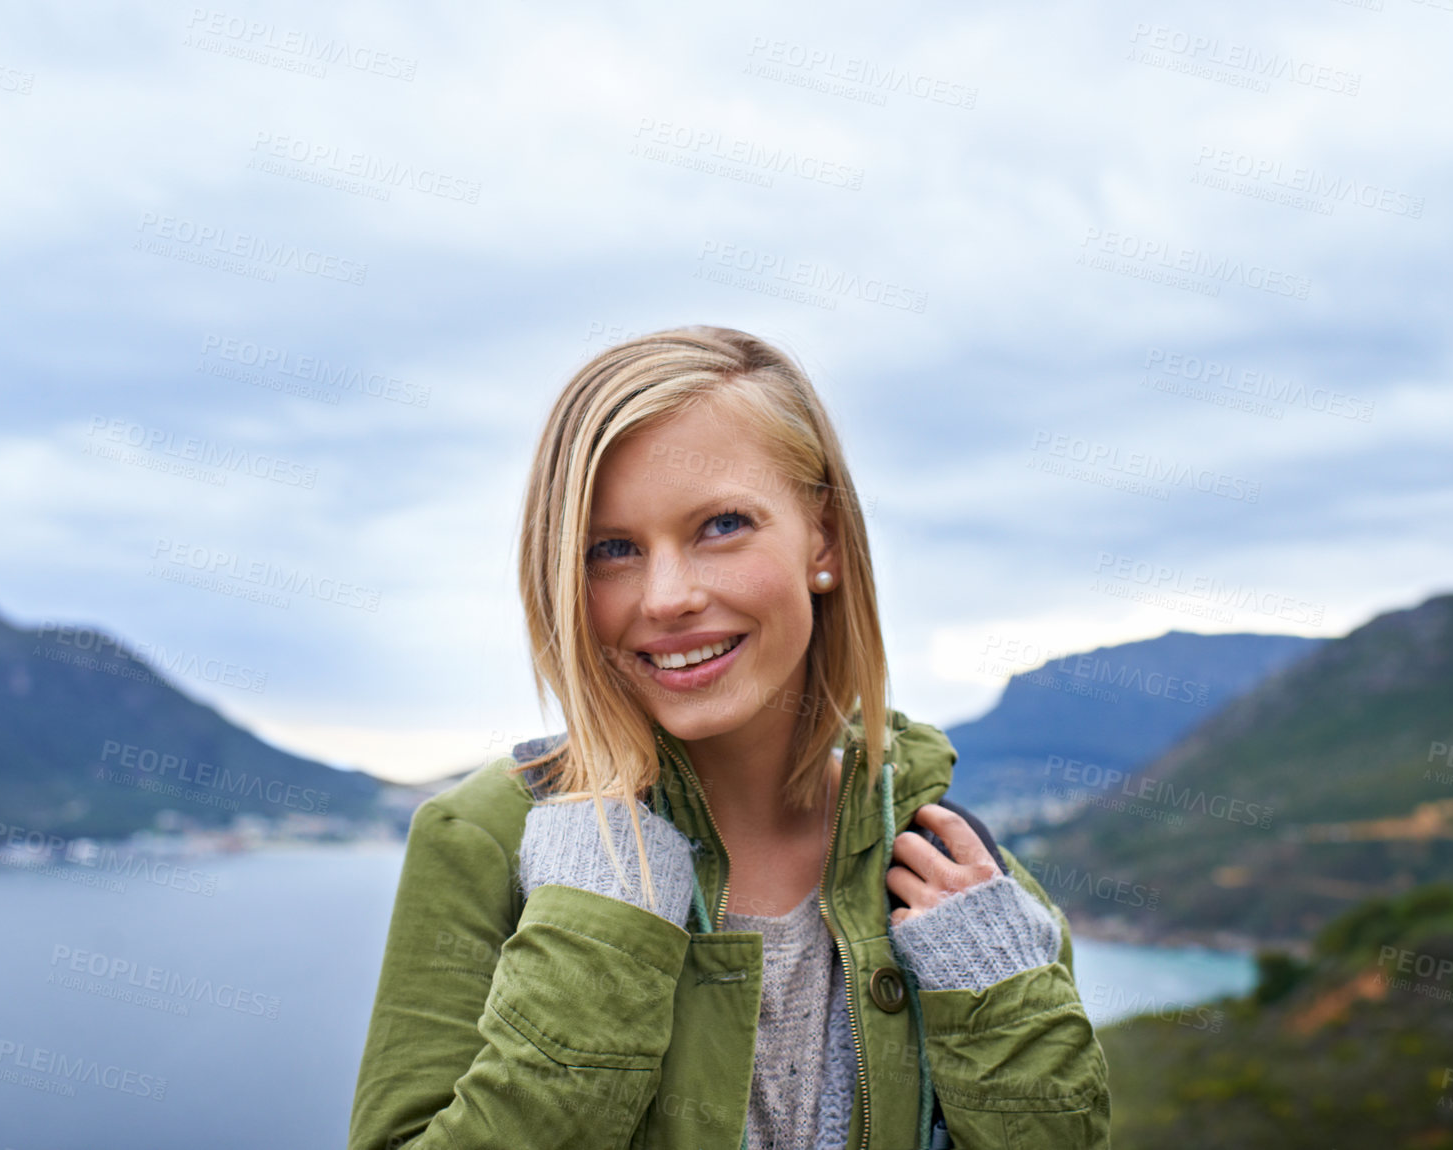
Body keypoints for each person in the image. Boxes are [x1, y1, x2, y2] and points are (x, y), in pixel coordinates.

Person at [348, 326, 1111, 1149]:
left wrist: (995, 1006)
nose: (668, 596)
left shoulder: (959, 881)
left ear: (822, 540)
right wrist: (595, 931)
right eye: (612, 549)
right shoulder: (486, 842)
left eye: (720, 526)